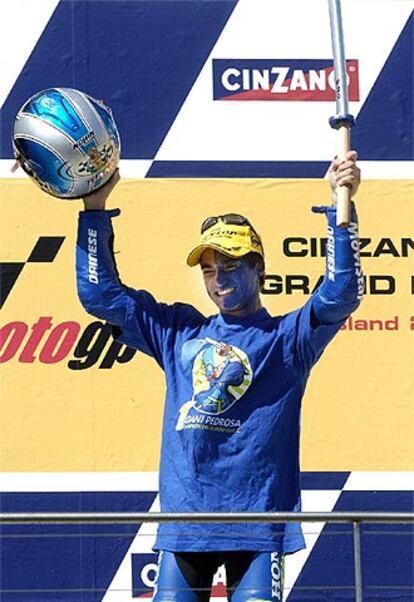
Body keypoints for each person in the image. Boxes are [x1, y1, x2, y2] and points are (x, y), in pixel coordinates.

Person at [76, 152, 363, 601]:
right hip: (185, 526)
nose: (219, 279)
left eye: (230, 266)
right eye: (209, 270)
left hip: (257, 526)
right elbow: (98, 295)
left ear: (259, 270)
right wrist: (93, 209)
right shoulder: (177, 332)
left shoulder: (287, 339)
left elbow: (341, 293)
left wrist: (341, 209)